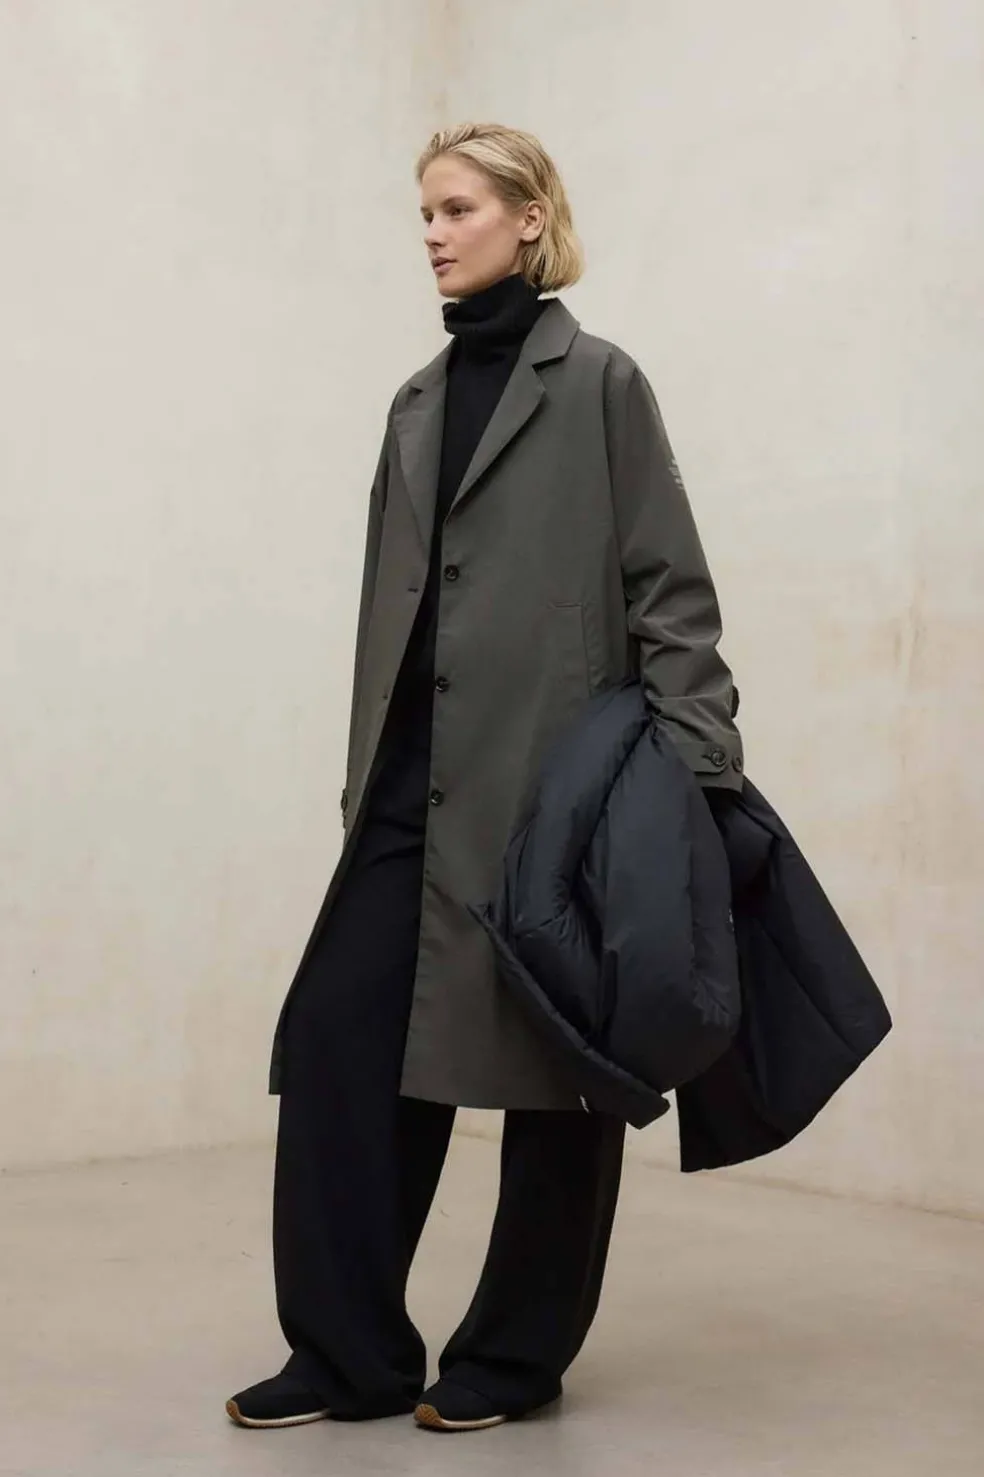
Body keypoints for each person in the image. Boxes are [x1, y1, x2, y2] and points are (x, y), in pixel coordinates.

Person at [227, 121, 743, 1436]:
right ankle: (346, 1356)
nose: (434, 234)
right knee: (341, 1045)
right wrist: (365, 782)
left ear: (529, 218)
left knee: (561, 1081)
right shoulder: (415, 401)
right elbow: (386, 610)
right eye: (425, 213)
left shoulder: (601, 383)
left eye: (457, 208)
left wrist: (692, 775)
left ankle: (513, 1357)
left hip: (559, 794)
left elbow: (672, 591)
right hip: (414, 794)